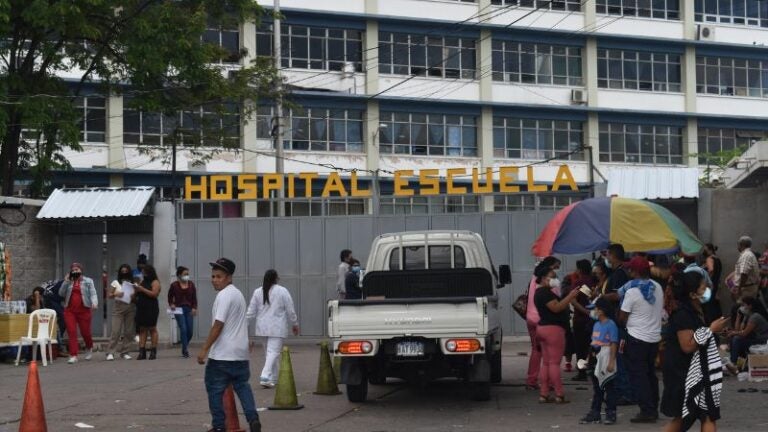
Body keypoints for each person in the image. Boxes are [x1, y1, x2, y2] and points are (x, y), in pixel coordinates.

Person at [198, 258, 261, 432]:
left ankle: (218, 426)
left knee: (214, 389)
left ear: (229, 278)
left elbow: (218, 325)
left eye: (219, 276)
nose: (214, 280)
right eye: (213, 276)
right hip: (240, 355)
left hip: (222, 356)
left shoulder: (224, 295)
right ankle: (253, 419)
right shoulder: (238, 294)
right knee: (242, 387)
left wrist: (204, 349)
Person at [661, 271, 728, 432]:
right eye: (703, 288)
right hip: (683, 374)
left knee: (702, 415)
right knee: (687, 417)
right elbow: (688, 346)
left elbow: (699, 335)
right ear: (692, 294)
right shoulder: (683, 314)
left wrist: (715, 332)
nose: (707, 290)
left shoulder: (698, 310)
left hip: (697, 371)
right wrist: (711, 330)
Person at [617, 256, 665, 423]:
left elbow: (622, 318)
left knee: (639, 376)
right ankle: (653, 406)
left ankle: (647, 410)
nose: (628, 271)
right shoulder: (657, 287)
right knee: (650, 374)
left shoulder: (632, 292)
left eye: (630, 269)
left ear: (635, 271)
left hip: (636, 338)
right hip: (653, 339)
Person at [533, 262, 580, 404]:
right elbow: (557, 308)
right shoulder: (545, 293)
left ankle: (544, 393)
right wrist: (570, 296)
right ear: (543, 278)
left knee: (546, 363)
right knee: (554, 363)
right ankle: (559, 394)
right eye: (551, 276)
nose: (555, 279)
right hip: (553, 330)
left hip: (542, 329)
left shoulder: (540, 292)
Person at [246, 269, 299, 388]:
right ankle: (265, 375)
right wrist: (295, 323)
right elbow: (290, 309)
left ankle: (273, 378)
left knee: (269, 353)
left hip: (262, 328)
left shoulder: (257, 291)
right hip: (277, 327)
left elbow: (250, 312)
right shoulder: (282, 291)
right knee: (273, 353)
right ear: (276, 278)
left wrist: (244, 326)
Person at [580, 297, 619, 426]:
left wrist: (611, 362)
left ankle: (611, 412)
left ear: (602, 311)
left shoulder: (611, 325)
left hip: (606, 356)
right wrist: (587, 359)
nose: (594, 311)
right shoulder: (596, 324)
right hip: (595, 356)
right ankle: (595, 412)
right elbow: (593, 342)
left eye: (596, 309)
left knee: (609, 386)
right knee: (597, 388)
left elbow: (613, 343)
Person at [525, 256, 561, 390]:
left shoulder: (534, 279)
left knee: (536, 350)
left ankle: (531, 380)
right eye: (556, 267)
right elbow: (557, 303)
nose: (556, 271)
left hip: (531, 319)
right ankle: (549, 383)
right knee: (549, 353)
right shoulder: (550, 282)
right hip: (545, 321)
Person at [59, 263, 99, 364]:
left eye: (77, 269)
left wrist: (94, 303)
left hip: (84, 310)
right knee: (72, 332)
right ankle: (73, 355)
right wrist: (65, 281)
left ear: (81, 271)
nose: (75, 271)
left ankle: (89, 347)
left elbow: (93, 293)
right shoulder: (68, 281)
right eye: (73, 270)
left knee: (85, 333)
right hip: (70, 311)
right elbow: (61, 293)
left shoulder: (88, 281)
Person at [564, 259, 596, 381]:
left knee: (580, 349)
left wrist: (584, 311)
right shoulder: (595, 281)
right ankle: (593, 370)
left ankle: (582, 373)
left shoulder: (579, 283)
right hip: (595, 320)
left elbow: (573, 300)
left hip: (581, 320)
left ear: (580, 270)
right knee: (593, 346)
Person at [725, 296, 768, 374]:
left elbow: (744, 333)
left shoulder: (755, 317)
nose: (742, 307)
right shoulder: (748, 315)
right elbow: (738, 330)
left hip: (763, 340)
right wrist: (738, 317)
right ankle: (739, 366)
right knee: (736, 339)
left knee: (737, 340)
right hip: (756, 338)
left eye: (744, 305)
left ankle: (734, 363)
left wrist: (733, 333)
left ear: (750, 306)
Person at [106, 265, 137, 361]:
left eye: (126, 271)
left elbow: (136, 297)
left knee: (128, 331)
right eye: (122, 271)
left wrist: (134, 295)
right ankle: (110, 352)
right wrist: (116, 294)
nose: (124, 272)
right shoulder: (115, 282)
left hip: (130, 306)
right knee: (116, 331)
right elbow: (109, 295)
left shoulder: (133, 283)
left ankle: (125, 352)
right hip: (118, 307)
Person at [168, 266, 198, 358]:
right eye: (185, 274)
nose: (187, 276)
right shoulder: (174, 285)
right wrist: (171, 304)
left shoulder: (191, 285)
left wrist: (194, 308)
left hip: (189, 309)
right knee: (183, 329)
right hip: (178, 309)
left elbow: (194, 298)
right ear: (179, 275)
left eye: (188, 274)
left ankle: (184, 344)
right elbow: (170, 296)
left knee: (190, 331)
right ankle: (185, 350)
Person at [134, 264, 161, 360]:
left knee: (152, 328)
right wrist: (135, 290)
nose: (143, 273)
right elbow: (138, 293)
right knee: (142, 328)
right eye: (142, 272)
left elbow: (154, 294)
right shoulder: (142, 281)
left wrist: (142, 289)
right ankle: (142, 351)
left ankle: (153, 351)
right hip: (141, 307)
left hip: (151, 307)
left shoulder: (155, 282)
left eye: (144, 272)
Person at [734, 236, 760, 301]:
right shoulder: (749, 254)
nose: (737, 247)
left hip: (746, 289)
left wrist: (739, 289)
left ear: (742, 245)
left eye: (738, 244)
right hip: (747, 287)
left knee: (740, 309)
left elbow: (744, 274)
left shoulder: (746, 255)